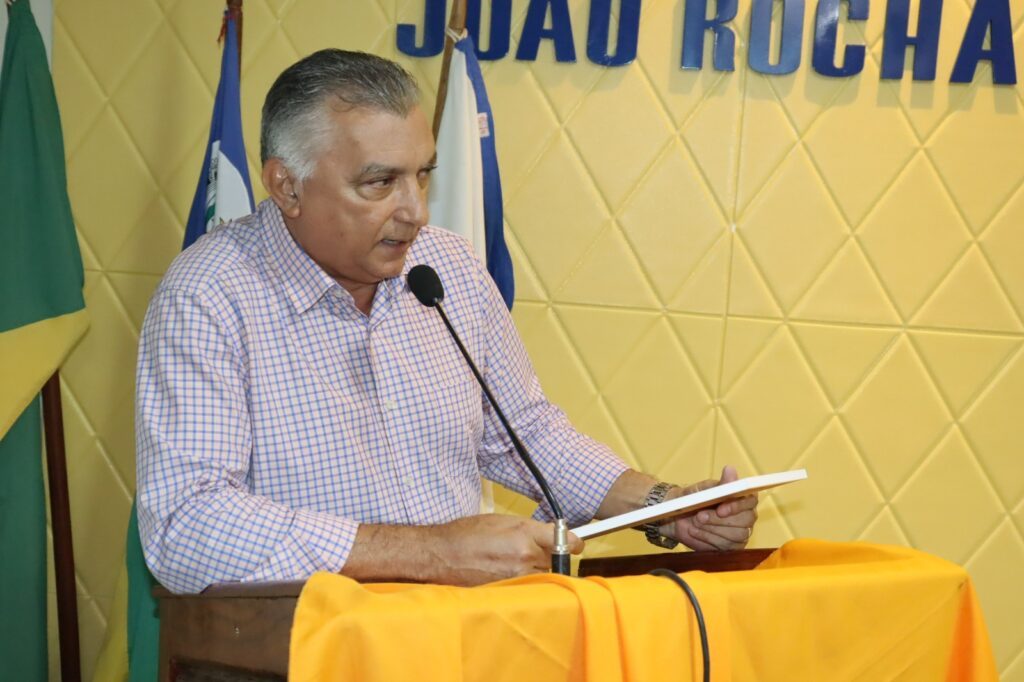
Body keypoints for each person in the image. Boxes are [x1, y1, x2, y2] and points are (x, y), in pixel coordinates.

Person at [135, 49, 758, 594]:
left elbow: (525, 434)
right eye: (380, 182)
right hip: (300, 649)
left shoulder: (447, 267)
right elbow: (187, 526)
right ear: (287, 186)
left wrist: (665, 506)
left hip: (460, 639)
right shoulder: (210, 296)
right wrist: (432, 555)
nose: (415, 211)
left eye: (423, 175)